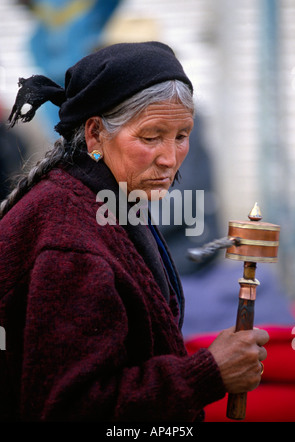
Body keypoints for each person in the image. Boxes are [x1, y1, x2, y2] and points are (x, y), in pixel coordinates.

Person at [0, 41, 269, 422]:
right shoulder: (70, 243)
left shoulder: (108, 198)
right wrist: (205, 374)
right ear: (94, 135)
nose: (170, 158)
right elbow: (70, 408)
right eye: (150, 136)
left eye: (181, 135)